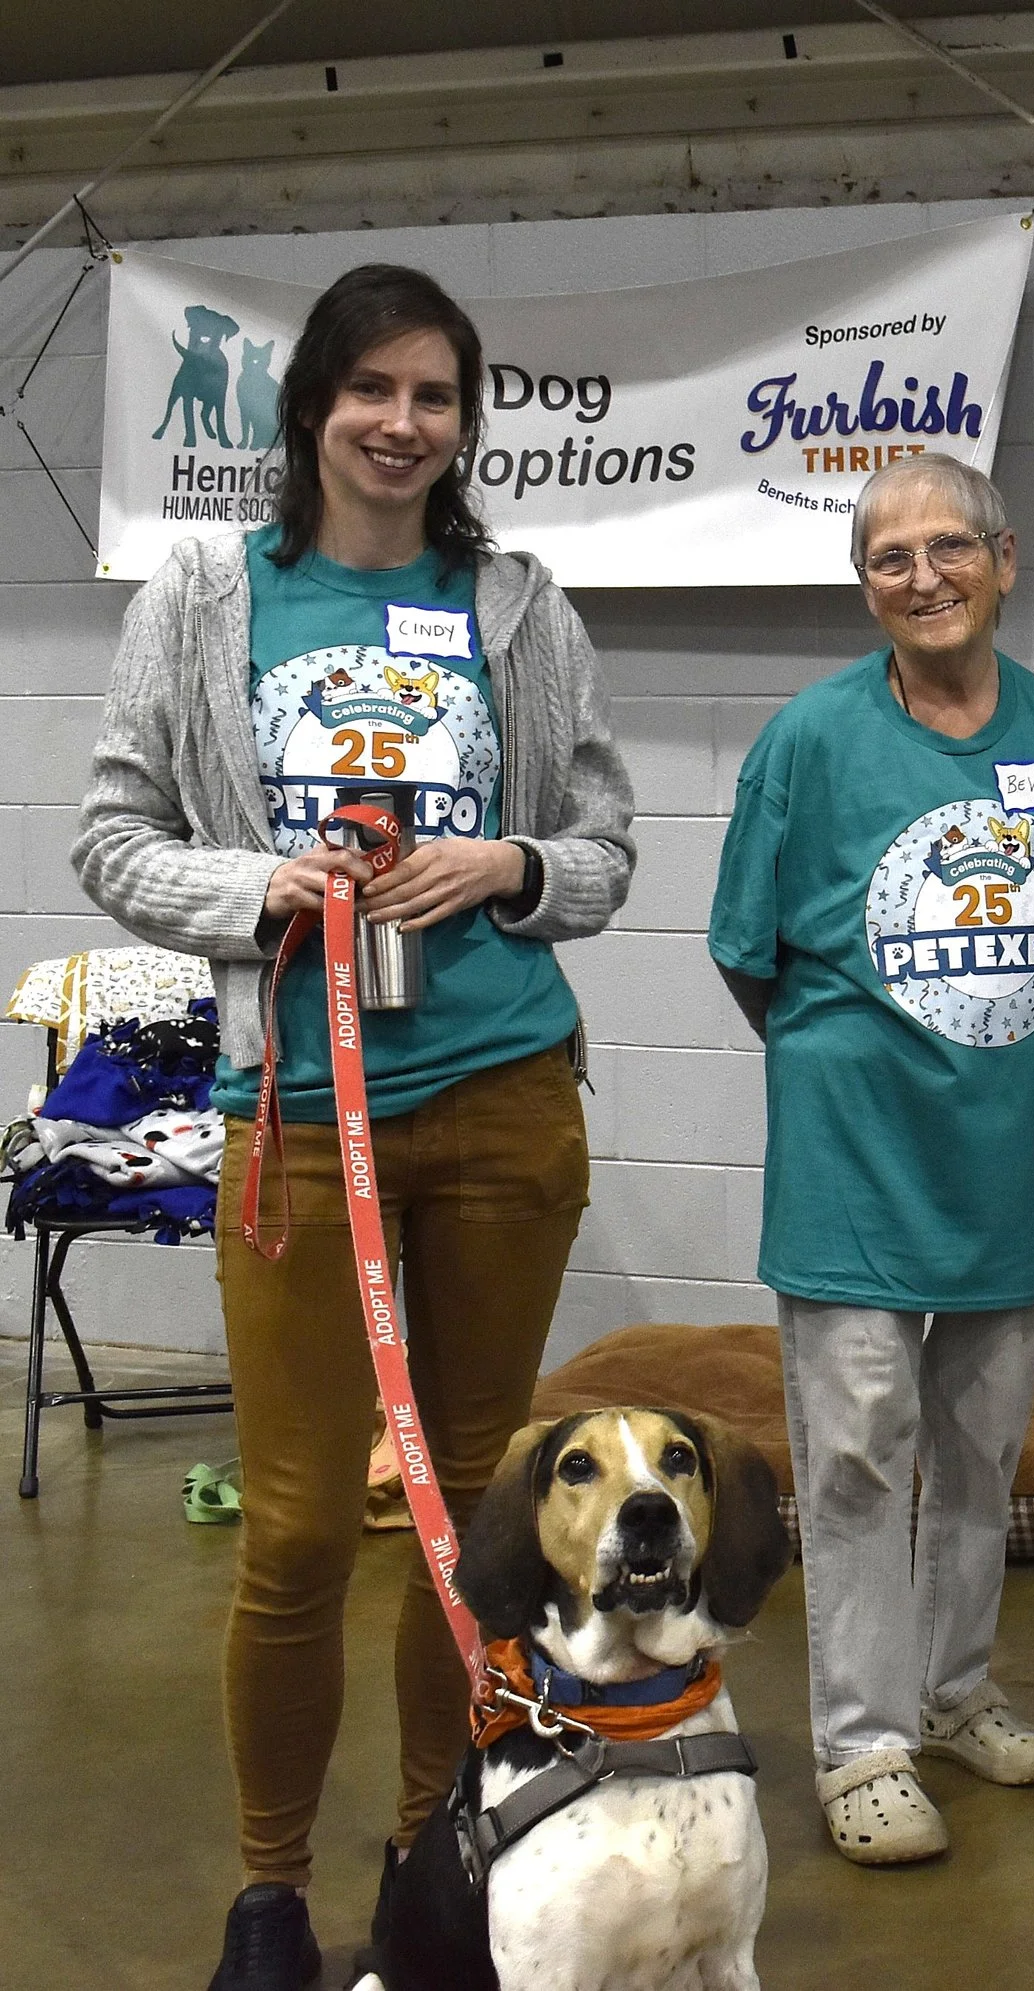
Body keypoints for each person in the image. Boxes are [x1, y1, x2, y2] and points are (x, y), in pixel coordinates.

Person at [73, 263, 632, 1990]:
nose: (403, 424)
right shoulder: (205, 593)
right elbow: (112, 837)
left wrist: (515, 865)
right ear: (308, 407)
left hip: (503, 1107)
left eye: (437, 397)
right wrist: (263, 883)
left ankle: (429, 1856)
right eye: (371, 391)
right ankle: (264, 1895)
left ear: (466, 424)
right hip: (301, 1122)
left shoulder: (517, 602)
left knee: (471, 1524)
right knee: (304, 1526)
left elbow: (604, 842)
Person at [708, 455, 1034, 1866]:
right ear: (865, 586)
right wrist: (865, 1057)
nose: (925, 576)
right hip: (855, 1170)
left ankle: (954, 1694)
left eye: (952, 547)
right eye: (892, 557)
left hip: (1013, 1164)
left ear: (1004, 558)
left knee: (985, 1450)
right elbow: (745, 951)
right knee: (864, 1460)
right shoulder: (808, 740)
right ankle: (864, 1742)